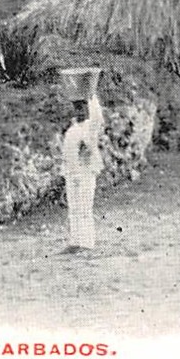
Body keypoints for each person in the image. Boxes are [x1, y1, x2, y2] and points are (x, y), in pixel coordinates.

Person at [61, 96, 105, 253]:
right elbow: (67, 153)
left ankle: (86, 243)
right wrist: (66, 172)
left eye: (82, 108)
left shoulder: (90, 127)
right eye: (76, 108)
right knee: (73, 208)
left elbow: (98, 117)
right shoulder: (72, 129)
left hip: (86, 172)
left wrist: (91, 95)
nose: (79, 111)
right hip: (72, 173)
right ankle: (75, 241)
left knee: (85, 208)